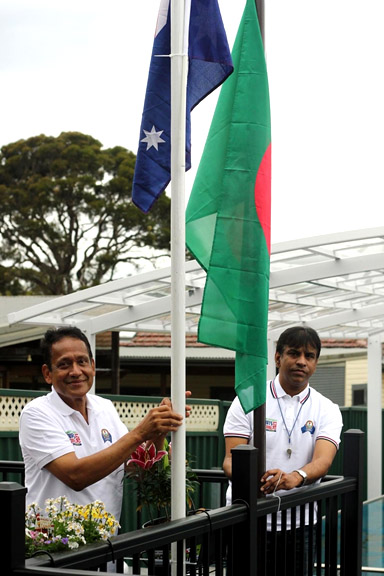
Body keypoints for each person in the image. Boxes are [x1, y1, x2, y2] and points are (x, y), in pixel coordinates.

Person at [19, 326, 189, 525]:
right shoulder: (37, 413)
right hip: (54, 547)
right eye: (64, 364)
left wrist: (158, 431)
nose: (75, 371)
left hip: (106, 543)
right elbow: (76, 476)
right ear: (48, 373)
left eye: (81, 361)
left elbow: (135, 469)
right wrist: (140, 433)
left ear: (92, 366)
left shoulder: (105, 407)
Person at [223, 326, 343, 574]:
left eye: (309, 356)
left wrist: (294, 477)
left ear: (316, 363)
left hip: (299, 523)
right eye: (294, 353)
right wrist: (258, 482)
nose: (301, 362)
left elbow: (323, 460)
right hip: (245, 517)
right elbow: (229, 460)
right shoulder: (248, 398)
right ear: (278, 357)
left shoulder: (327, 408)